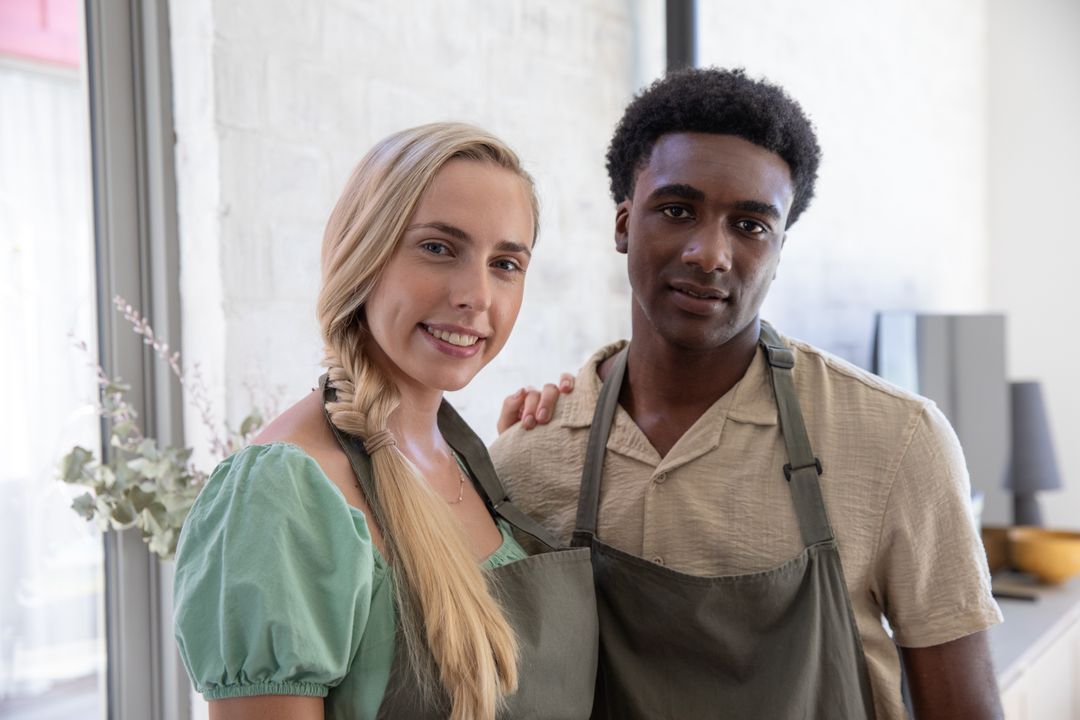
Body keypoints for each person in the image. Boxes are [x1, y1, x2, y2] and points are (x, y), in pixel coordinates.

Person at [492, 68, 1003, 719]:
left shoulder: (898, 442)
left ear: (780, 248)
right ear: (624, 224)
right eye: (678, 211)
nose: (711, 253)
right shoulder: (526, 460)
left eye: (751, 226)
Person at [173, 122, 597, 720]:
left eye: (505, 263)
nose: (476, 295)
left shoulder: (476, 469)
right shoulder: (284, 493)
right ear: (362, 254)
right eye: (437, 248)